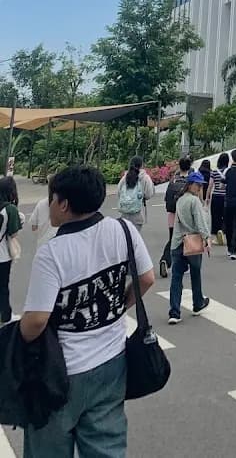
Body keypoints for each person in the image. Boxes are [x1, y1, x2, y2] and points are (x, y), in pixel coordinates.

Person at [20, 165, 155, 457]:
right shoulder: (123, 229)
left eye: (52, 199)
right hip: (112, 362)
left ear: (64, 204)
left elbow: (36, 321)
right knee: (106, 447)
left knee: (48, 447)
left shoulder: (52, 253)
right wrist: (119, 306)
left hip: (60, 371)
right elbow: (146, 278)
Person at [168, 171, 211, 324]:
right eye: (198, 185)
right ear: (191, 185)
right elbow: (200, 222)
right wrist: (206, 238)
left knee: (176, 277)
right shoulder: (194, 201)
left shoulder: (180, 199)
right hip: (192, 241)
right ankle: (197, 303)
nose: (200, 188)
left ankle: (174, 312)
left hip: (177, 242)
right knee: (195, 273)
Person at [159, 156, 192, 278]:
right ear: (189, 166)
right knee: (186, 240)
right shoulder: (190, 181)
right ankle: (184, 265)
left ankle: (165, 260)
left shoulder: (173, 180)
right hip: (185, 217)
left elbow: (166, 199)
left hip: (172, 216)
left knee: (173, 240)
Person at [0, 176, 22, 324]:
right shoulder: (10, 209)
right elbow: (13, 233)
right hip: (2, 256)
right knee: (2, 287)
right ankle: (6, 317)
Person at [116, 156, 154, 229]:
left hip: (124, 213)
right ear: (141, 165)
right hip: (138, 214)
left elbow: (119, 192)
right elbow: (149, 194)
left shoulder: (125, 177)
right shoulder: (145, 177)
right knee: (135, 238)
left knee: (125, 237)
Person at [29, 181, 57, 248]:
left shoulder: (41, 203)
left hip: (42, 245)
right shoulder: (65, 205)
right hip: (58, 246)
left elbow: (34, 227)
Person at [210, 152, 228, 244]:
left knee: (215, 216)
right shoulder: (228, 171)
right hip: (226, 196)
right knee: (226, 216)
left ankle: (217, 236)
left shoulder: (214, 171)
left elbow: (210, 185)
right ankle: (224, 232)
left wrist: (207, 197)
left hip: (216, 196)